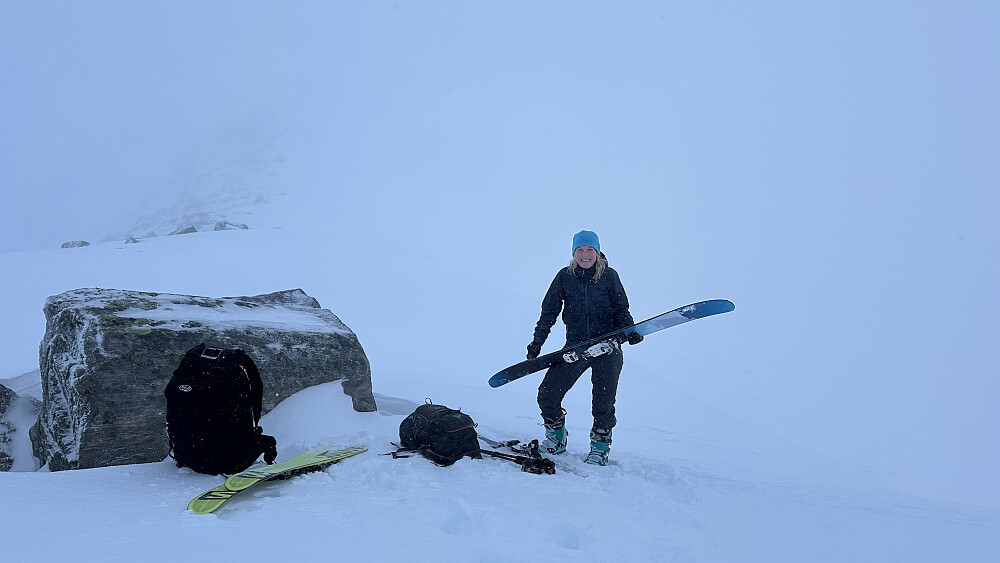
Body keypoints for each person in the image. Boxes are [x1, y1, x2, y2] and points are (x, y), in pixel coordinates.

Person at [526, 230, 642, 466]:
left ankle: (599, 449)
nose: (585, 254)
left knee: (603, 403)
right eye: (580, 250)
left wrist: (629, 332)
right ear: (573, 253)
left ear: (597, 253)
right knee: (548, 394)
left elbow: (622, 309)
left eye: (590, 250)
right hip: (576, 348)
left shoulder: (609, 276)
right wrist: (537, 343)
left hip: (607, 348)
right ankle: (556, 439)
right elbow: (549, 312)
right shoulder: (564, 277)